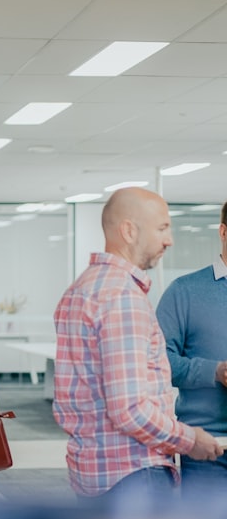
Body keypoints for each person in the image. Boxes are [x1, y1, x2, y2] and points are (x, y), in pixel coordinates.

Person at [53, 187, 222, 501]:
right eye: (162, 228)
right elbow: (129, 409)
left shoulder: (83, 288)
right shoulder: (122, 297)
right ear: (129, 231)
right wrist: (190, 439)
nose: (169, 240)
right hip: (132, 475)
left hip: (97, 471)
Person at [156, 201, 227, 494]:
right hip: (208, 449)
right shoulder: (184, 291)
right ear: (224, 232)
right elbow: (157, 364)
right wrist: (214, 371)